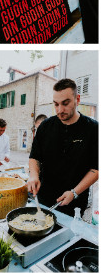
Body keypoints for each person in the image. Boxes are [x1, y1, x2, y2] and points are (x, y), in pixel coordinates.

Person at [27, 79, 99, 216]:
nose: (60, 110)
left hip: (75, 203)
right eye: (56, 104)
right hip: (43, 199)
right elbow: (34, 157)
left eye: (65, 103)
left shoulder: (93, 129)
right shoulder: (45, 127)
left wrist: (75, 192)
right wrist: (34, 175)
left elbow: (97, 168)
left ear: (77, 99)